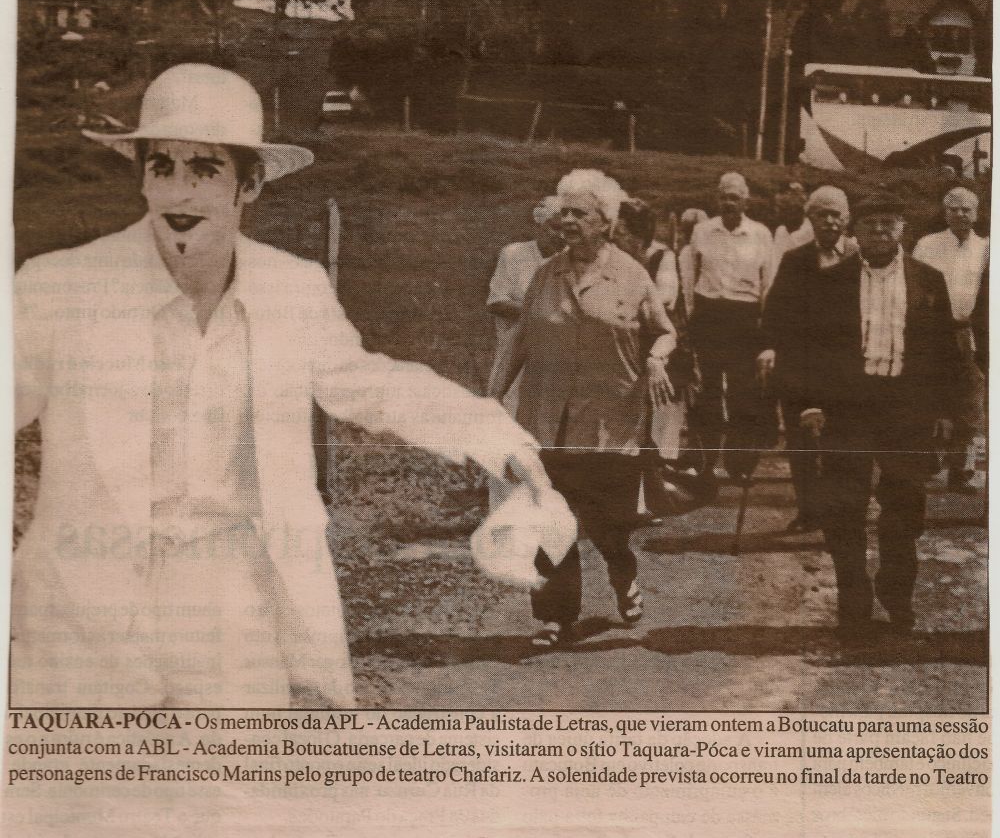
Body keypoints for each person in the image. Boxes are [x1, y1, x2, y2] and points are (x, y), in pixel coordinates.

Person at [12, 63, 551, 708]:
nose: (179, 193)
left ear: (251, 185)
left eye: (205, 169)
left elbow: (366, 383)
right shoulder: (61, 286)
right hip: (84, 608)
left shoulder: (290, 288)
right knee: (98, 802)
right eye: (162, 167)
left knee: (242, 793)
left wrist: (487, 432)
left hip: (230, 602)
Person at [490, 170, 677, 648]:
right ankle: (555, 617)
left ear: (605, 222)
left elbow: (664, 329)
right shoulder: (543, 274)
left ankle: (622, 576)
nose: (565, 221)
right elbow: (520, 339)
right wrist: (491, 400)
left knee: (608, 525)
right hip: (547, 418)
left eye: (578, 213)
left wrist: (656, 359)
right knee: (550, 517)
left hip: (611, 422)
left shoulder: (632, 275)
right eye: (562, 212)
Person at [797, 189, 959, 641]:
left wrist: (946, 410)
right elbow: (811, 351)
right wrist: (812, 403)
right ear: (855, 231)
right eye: (870, 224)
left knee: (904, 509)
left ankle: (897, 595)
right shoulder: (831, 283)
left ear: (903, 229)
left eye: (889, 222)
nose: (880, 231)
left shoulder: (929, 281)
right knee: (843, 507)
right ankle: (853, 598)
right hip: (848, 409)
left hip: (907, 409)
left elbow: (947, 353)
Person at [758, 186, 856, 533]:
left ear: (847, 219)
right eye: (821, 214)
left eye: (836, 214)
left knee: (839, 443)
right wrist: (769, 347)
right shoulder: (795, 259)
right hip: (799, 367)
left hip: (845, 369)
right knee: (800, 446)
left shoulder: (860, 258)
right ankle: (809, 511)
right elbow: (773, 312)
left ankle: (840, 512)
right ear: (811, 219)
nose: (829, 221)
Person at [687, 172, 775, 496]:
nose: (729, 202)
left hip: (744, 318)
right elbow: (689, 278)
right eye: (724, 196)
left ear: (746, 200)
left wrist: (765, 331)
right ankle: (704, 465)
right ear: (717, 198)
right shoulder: (701, 231)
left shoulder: (761, 234)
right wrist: (691, 319)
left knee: (743, 395)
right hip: (709, 315)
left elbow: (768, 283)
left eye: (735, 197)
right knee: (706, 393)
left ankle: (739, 466)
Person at [613, 198, 686, 523]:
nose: (616, 238)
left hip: (656, 346)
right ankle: (637, 499)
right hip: (623, 347)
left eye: (623, 232)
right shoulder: (613, 259)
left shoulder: (661, 256)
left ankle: (645, 499)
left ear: (639, 236)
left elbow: (665, 298)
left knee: (648, 425)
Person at [912, 187, 989, 494]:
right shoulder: (927, 245)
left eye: (966, 209)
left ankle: (962, 470)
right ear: (944, 213)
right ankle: (926, 462)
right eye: (953, 209)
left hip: (966, 333)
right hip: (930, 333)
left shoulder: (986, 249)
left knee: (969, 403)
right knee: (926, 398)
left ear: (977, 213)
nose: (960, 214)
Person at [486, 197, 563, 417]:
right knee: (508, 416)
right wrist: (541, 313)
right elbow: (496, 302)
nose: (561, 236)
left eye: (566, 229)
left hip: (557, 357)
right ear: (539, 225)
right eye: (554, 228)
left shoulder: (571, 260)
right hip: (515, 353)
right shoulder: (514, 255)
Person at [772, 179, 813, 260]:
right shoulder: (780, 231)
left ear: (799, 209)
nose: (777, 212)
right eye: (777, 207)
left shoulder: (812, 234)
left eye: (783, 208)